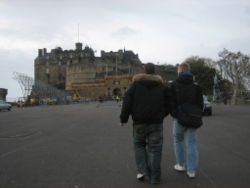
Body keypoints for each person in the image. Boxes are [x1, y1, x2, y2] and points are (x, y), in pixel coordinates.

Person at [120, 63, 170, 184]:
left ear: (144, 71)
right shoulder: (162, 87)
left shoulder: (135, 86)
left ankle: (143, 171)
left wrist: (124, 119)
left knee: (139, 146)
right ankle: (155, 177)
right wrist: (161, 115)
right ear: (155, 72)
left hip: (139, 123)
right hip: (156, 123)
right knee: (155, 149)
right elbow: (169, 104)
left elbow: (127, 102)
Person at [169, 63, 203, 178]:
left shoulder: (174, 84)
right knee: (192, 143)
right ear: (189, 71)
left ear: (179, 71)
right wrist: (198, 114)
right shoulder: (196, 85)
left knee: (178, 140)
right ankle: (192, 170)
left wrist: (175, 114)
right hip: (193, 117)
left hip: (179, 117)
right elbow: (200, 103)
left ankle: (181, 164)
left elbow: (171, 102)